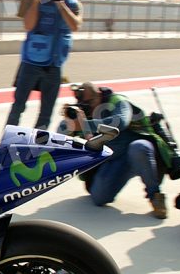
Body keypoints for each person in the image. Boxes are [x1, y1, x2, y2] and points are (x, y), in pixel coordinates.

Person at [58, 82, 169, 219]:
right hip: (114, 161)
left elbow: (120, 122)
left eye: (91, 101)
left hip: (136, 153)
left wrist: (85, 125)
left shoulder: (118, 101)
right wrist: (68, 124)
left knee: (139, 147)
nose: (89, 106)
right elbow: (60, 136)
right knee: (99, 198)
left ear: (99, 94)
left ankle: (155, 195)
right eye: (84, 103)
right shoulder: (82, 111)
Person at [6, 0, 82, 130]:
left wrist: (60, 3)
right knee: (18, 107)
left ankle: (36, 149)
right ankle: (7, 144)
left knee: (46, 113)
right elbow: (28, 25)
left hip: (54, 67)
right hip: (31, 64)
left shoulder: (72, 3)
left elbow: (75, 25)